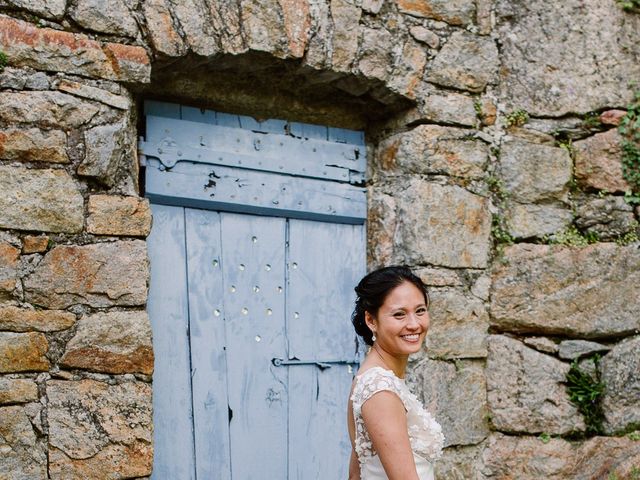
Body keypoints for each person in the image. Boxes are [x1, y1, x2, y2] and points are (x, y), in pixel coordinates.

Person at [347, 265, 445, 480]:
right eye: (399, 314)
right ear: (371, 320)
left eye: (420, 311)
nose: (414, 324)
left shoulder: (369, 378)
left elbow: (356, 474)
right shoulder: (380, 390)